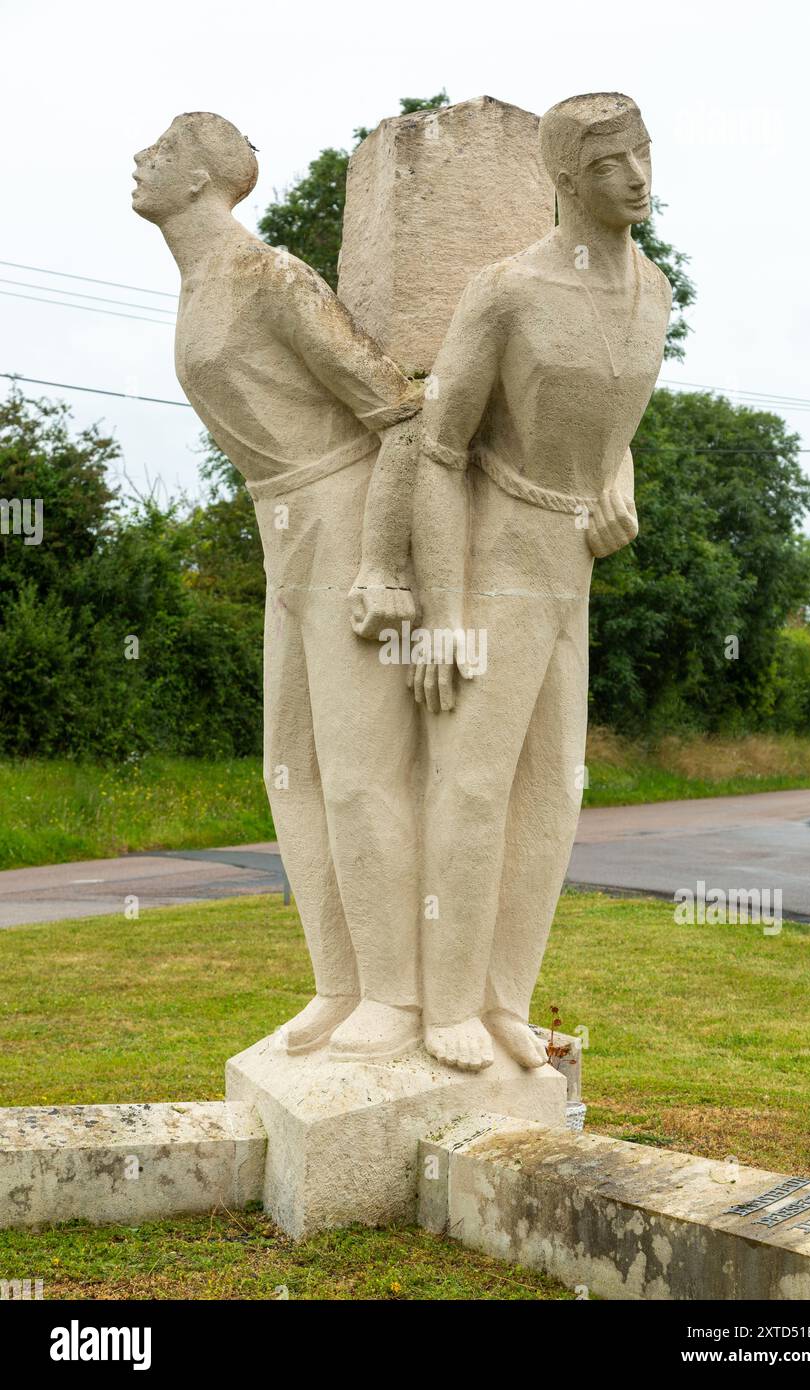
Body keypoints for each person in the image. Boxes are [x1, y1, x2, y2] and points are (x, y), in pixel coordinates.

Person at [133, 112, 425, 1061]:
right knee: (288, 770)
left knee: (357, 772)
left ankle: (397, 994)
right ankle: (339, 985)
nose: (141, 161)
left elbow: (398, 409)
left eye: (162, 150)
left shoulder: (269, 275)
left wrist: (384, 558)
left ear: (203, 176)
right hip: (281, 527)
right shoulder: (199, 285)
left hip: (340, 513)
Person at [409, 93, 671, 1071]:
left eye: (642, 152)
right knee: (475, 782)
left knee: (554, 790)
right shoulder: (507, 291)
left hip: (573, 571)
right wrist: (438, 615)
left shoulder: (655, 294)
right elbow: (438, 448)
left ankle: (502, 999)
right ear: (565, 177)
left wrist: (618, 478)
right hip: (499, 551)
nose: (637, 175)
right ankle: (441, 1003)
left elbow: (617, 424)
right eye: (611, 161)